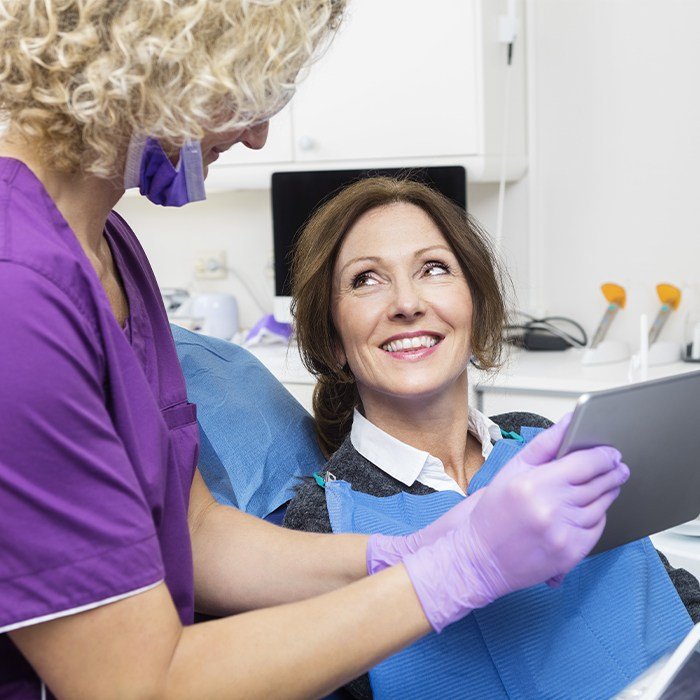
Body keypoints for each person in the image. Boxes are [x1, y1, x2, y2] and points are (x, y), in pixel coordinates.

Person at [0, 3, 629, 698]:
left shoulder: (110, 248)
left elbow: (195, 528)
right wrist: (460, 570)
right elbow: (136, 685)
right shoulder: (17, 298)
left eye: (434, 269)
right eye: (246, 89)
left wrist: (412, 549)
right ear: (160, 62)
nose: (261, 135)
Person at [284, 176, 700, 698]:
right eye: (367, 279)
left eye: (433, 268)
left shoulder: (542, 439)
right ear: (332, 338)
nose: (406, 303)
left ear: (476, 310)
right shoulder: (320, 523)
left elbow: (663, 591)